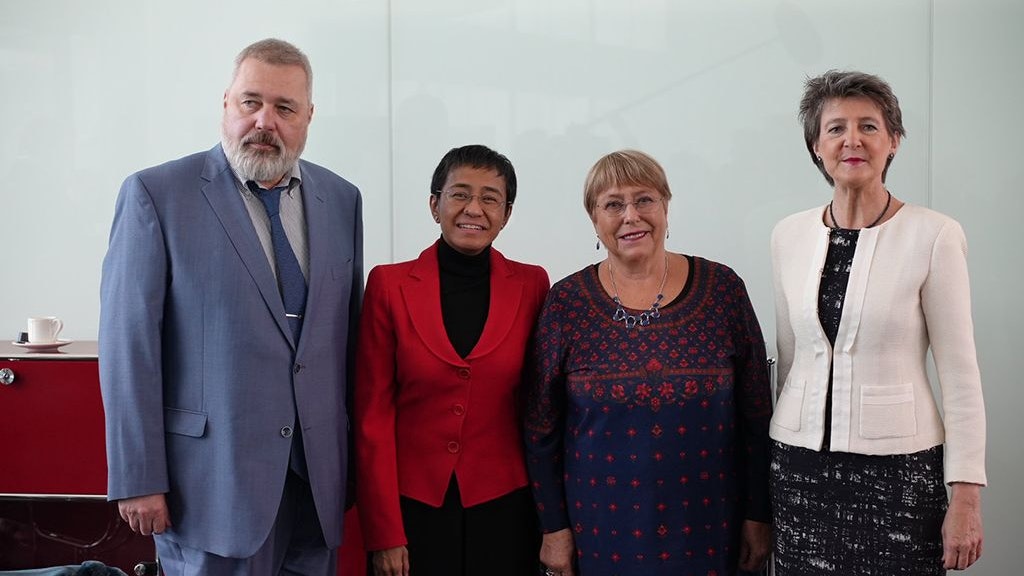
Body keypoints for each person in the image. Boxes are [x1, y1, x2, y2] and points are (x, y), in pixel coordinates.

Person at [99, 38, 363, 575]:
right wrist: (138, 477)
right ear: (226, 103)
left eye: (284, 108)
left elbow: (345, 342)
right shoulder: (157, 194)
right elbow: (129, 349)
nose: (265, 121)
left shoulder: (341, 200)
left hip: (317, 485)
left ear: (308, 116)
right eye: (251, 102)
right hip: (209, 488)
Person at [769, 70, 986, 575]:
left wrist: (967, 497)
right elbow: (791, 359)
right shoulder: (787, 235)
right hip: (799, 469)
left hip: (900, 472)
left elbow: (960, 375)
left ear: (893, 142)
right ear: (815, 146)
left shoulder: (934, 235)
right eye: (836, 128)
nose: (852, 140)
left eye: (869, 126)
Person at [523, 149, 773, 576]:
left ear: (666, 207)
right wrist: (553, 529)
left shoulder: (722, 289)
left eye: (645, 200)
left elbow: (757, 415)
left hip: (711, 528)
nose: (631, 216)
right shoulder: (567, 302)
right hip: (599, 534)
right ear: (594, 220)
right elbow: (539, 428)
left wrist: (759, 514)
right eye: (613, 204)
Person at [355, 145, 549, 576]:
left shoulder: (533, 284)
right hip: (413, 507)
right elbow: (372, 417)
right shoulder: (388, 285)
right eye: (460, 193)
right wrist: (384, 532)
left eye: (490, 198)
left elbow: (539, 407)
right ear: (434, 204)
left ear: (507, 212)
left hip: (506, 505)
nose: (473, 209)